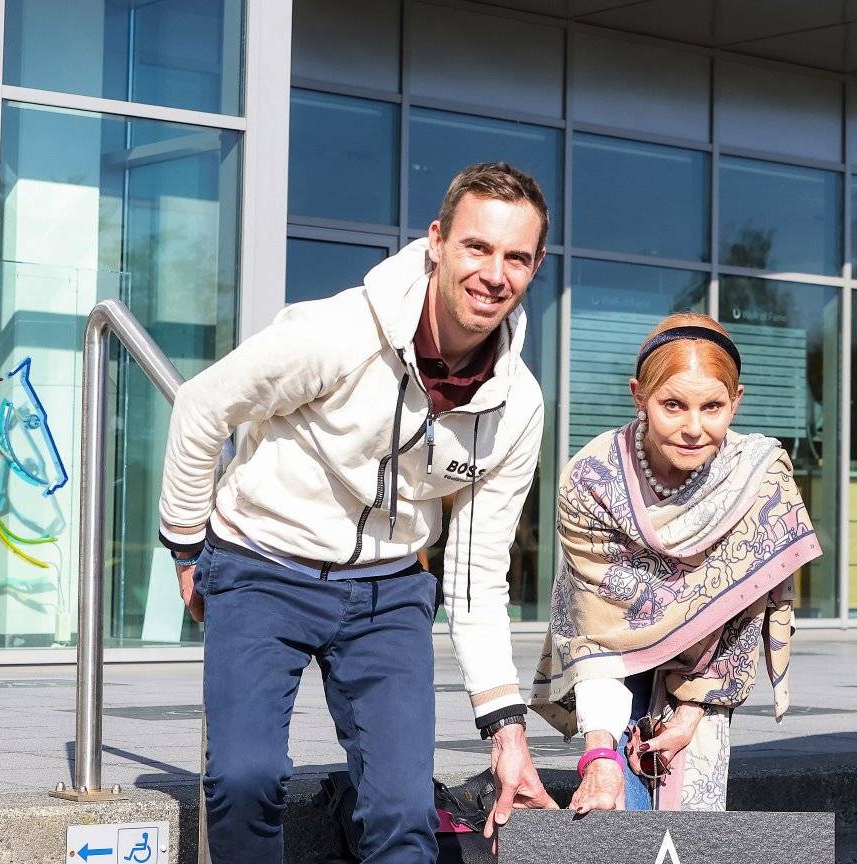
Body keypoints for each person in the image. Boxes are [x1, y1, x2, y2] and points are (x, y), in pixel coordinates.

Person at [158, 162, 558, 862]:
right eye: (476, 247)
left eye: (516, 257)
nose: (494, 274)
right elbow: (202, 407)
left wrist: (506, 728)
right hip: (262, 563)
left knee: (403, 811)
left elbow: (475, 574)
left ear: (535, 267)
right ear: (436, 241)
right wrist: (188, 547)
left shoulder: (518, 403)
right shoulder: (339, 332)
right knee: (245, 779)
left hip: (390, 590)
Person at [531, 313, 822, 813]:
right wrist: (599, 755)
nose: (693, 428)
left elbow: (743, 609)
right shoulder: (592, 480)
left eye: (713, 407)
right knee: (615, 812)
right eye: (672, 405)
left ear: (737, 401)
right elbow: (596, 632)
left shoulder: (758, 479)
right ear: (638, 396)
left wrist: (692, 708)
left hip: (709, 662)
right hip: (610, 662)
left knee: (684, 815)